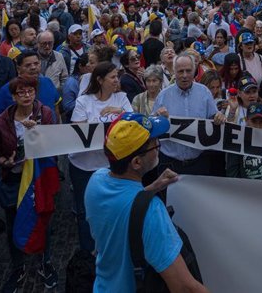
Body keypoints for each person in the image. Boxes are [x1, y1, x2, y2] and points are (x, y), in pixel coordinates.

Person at [84, 113, 208, 292]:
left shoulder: (97, 180)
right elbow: (184, 287)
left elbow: (124, 205)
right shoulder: (152, 211)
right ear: (136, 162)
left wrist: (153, 187)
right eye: (155, 144)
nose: (159, 148)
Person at [0, 77, 58, 291]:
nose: (27, 95)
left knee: (43, 218)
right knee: (13, 221)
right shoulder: (3, 120)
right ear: (13, 96)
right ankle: (18, 266)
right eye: (21, 92)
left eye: (30, 91)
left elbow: (54, 144)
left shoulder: (45, 114)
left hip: (39, 178)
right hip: (13, 178)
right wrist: (4, 161)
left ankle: (44, 262)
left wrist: (36, 132)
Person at [69, 62, 132, 253]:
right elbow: (78, 134)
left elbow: (132, 124)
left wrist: (119, 112)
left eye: (117, 76)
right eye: (112, 77)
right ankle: (89, 252)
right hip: (84, 166)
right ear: (100, 80)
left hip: (110, 165)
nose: (116, 80)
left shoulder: (121, 98)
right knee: (85, 211)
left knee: (112, 209)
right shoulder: (83, 102)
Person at [152, 54, 226, 177]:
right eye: (181, 71)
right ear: (174, 72)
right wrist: (157, 117)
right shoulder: (163, 96)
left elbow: (213, 118)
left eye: (188, 71)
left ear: (195, 70)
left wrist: (218, 117)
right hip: (170, 163)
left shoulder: (204, 92)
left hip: (198, 163)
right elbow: (152, 126)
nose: (185, 75)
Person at [0, 51, 61, 122]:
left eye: (36, 63)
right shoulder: (7, 90)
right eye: (28, 65)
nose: (33, 67)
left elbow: (56, 108)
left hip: (50, 131)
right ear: (18, 69)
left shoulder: (48, 82)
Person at [226, 103, 262, 180]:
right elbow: (232, 174)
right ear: (246, 120)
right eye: (254, 121)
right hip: (246, 190)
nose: (258, 126)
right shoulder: (237, 140)